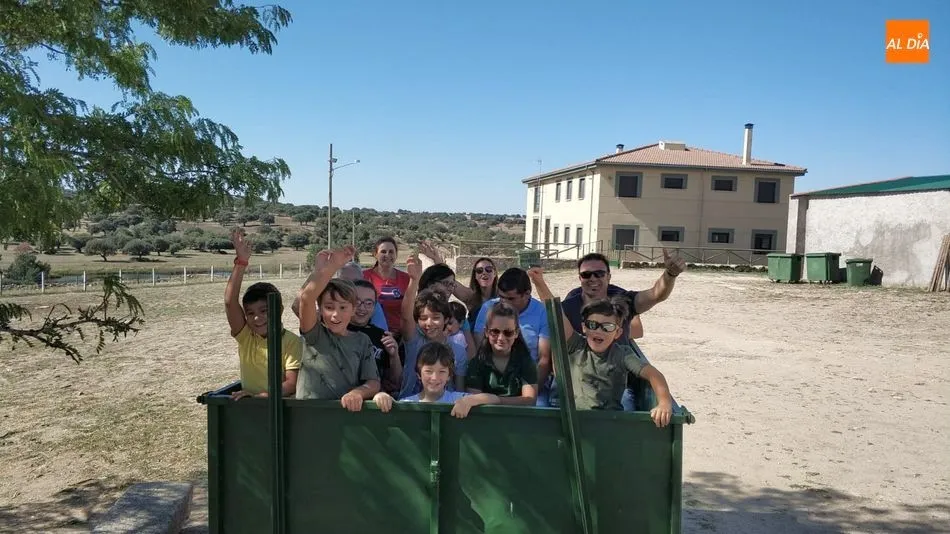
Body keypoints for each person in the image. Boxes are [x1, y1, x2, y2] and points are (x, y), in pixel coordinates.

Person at [530, 269, 674, 427]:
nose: (599, 331)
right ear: (584, 328)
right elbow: (555, 313)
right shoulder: (576, 345)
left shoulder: (622, 354)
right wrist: (539, 282)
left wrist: (664, 402)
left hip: (606, 423)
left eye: (607, 326)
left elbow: (653, 374)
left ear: (618, 332)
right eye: (593, 325)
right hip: (571, 420)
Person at [560, 251, 686, 411]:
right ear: (580, 279)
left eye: (599, 273)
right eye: (586, 274)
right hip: (577, 382)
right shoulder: (568, 307)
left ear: (608, 276)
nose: (593, 278)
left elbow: (655, 294)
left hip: (618, 384)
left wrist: (670, 274)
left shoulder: (622, 301)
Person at [296, 245, 380, 411]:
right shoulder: (314, 333)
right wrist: (332, 266)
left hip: (344, 418)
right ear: (319, 308)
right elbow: (306, 298)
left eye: (343, 307)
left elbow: (373, 382)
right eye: (329, 307)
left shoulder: (362, 341)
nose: (335, 314)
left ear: (353, 309)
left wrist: (358, 393)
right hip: (308, 416)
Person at [223, 230, 301, 400]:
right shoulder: (246, 337)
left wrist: (260, 397)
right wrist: (241, 262)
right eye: (250, 313)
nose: (257, 318)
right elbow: (230, 301)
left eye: (264, 311)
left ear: (279, 310)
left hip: (279, 413)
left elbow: (291, 384)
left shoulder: (291, 342)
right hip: (251, 409)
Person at [472, 267, 552, 406]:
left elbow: (544, 359)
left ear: (527, 294)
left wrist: (526, 392)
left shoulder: (542, 312)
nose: (503, 303)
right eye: (501, 297)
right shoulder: (488, 308)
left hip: (529, 384)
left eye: (510, 298)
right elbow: (478, 349)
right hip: (490, 381)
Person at [397, 254, 469, 398]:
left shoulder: (458, 351)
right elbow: (406, 317)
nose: (429, 323)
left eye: (436, 318)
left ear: (446, 319)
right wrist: (414, 280)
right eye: (423, 318)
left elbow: (459, 390)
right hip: (411, 408)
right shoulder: (414, 340)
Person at [373, 342, 502, 419]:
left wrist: (471, 400)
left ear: (449, 375)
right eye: (428, 371)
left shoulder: (457, 399)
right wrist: (381, 396)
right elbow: (388, 405)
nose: (435, 378)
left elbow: (494, 399)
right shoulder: (407, 403)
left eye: (442, 372)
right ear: (418, 374)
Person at [464, 300, 538, 406]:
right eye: (495, 331)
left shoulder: (526, 362)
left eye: (508, 332)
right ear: (486, 332)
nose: (501, 338)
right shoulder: (476, 364)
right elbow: (473, 401)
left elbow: (530, 400)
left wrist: (494, 399)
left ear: (516, 333)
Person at [417, 242, 497, 331]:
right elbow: (449, 281)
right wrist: (436, 259)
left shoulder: (504, 297)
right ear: (475, 276)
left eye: (489, 269)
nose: (484, 273)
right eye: (479, 270)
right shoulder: (472, 297)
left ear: (495, 273)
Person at [289, 260, 388, 331]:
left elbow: (380, 335)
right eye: (346, 281)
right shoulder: (331, 308)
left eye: (355, 282)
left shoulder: (371, 305)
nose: (350, 287)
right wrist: (318, 272)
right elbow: (297, 307)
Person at [349, 279, 403, 396]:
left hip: (373, 402)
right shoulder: (337, 330)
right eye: (357, 302)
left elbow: (395, 382)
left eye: (369, 303)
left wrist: (394, 356)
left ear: (375, 306)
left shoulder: (382, 337)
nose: (362, 308)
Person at [363, 237, 411, 335]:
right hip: (370, 334)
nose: (387, 255)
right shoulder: (364, 276)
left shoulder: (406, 279)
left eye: (391, 252)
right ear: (375, 254)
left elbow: (410, 309)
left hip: (398, 335)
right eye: (383, 251)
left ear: (396, 255)